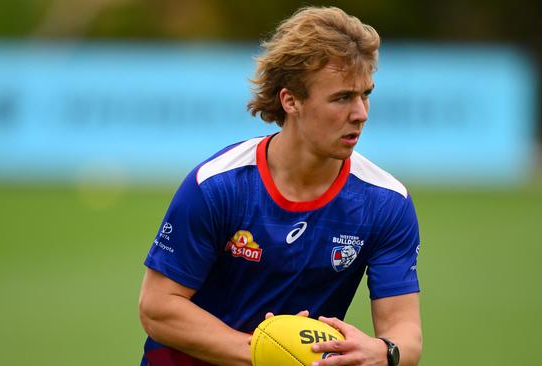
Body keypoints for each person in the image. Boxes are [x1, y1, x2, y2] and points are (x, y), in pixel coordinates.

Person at [138, 6, 422, 366]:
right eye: (342, 98)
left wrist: (384, 351)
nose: (361, 113)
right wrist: (265, 353)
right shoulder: (218, 185)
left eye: (365, 94)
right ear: (291, 101)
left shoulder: (386, 202)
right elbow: (158, 307)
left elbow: (405, 331)